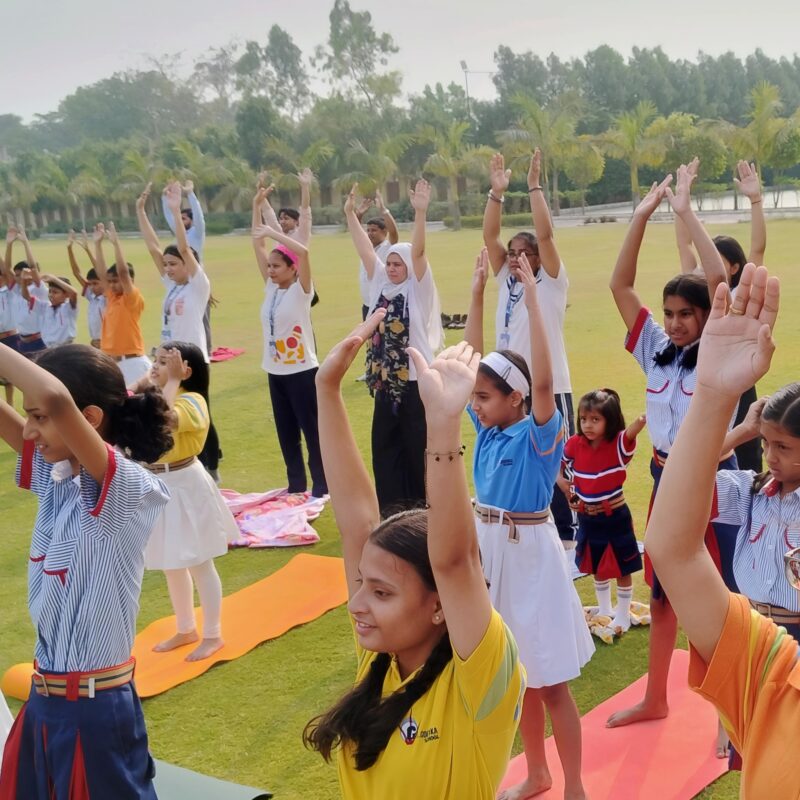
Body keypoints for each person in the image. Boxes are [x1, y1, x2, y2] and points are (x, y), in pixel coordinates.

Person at [303, 310, 525, 800]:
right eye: (363, 584)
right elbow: (357, 521)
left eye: (381, 592)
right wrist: (327, 390)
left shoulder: (478, 679)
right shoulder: (381, 658)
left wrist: (443, 425)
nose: (357, 603)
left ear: (440, 605)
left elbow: (455, 562)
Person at [644, 263, 796, 796]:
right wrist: (713, 399)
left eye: (785, 447)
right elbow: (673, 545)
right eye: (770, 445)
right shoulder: (783, 681)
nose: (773, 457)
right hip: (763, 646)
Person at [0, 343, 172, 798]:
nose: (30, 432)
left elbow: (55, 396)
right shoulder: (55, 478)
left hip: (95, 712)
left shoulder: (125, 492)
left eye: (38, 417)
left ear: (89, 419)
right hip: (42, 703)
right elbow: (43, 405)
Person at [605, 166, 738, 732]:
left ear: (706, 317)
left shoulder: (718, 347)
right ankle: (655, 697)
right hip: (664, 480)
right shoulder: (653, 349)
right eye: (671, 314)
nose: (677, 323)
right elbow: (619, 286)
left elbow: (721, 284)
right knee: (662, 596)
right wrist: (640, 216)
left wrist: (685, 211)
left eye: (688, 314)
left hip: (711, 481)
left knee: (725, 602)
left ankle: (729, 718)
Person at [465, 248, 593, 800]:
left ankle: (575, 785)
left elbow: (544, 378)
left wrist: (535, 299)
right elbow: (470, 364)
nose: (476, 404)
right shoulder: (491, 428)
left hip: (530, 555)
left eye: (485, 398)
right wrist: (475, 295)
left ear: (516, 398)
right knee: (514, 680)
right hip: (489, 553)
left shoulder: (537, 432)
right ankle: (536, 772)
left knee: (551, 681)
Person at [482, 149, 577, 548]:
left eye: (527, 251)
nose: (517, 256)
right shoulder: (506, 277)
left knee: (557, 464)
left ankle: (568, 537)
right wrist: (496, 193)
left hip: (548, 387)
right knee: (522, 462)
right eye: (513, 250)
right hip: (510, 389)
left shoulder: (551, 283)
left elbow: (548, 235)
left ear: (539, 257)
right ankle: (535, 531)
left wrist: (534, 186)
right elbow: (489, 236)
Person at [344, 179, 444, 515]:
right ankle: (391, 512)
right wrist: (350, 215)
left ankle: (422, 511)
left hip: (415, 385)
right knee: (385, 449)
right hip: (386, 384)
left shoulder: (418, 289)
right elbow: (364, 249)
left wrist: (420, 213)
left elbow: (418, 252)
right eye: (389, 264)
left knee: (417, 449)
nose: (391, 268)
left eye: (397, 264)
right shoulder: (380, 287)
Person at [134, 342, 238, 662]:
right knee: (170, 563)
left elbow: (163, 422)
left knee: (198, 562)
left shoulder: (192, 400)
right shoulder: (153, 395)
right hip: (158, 483)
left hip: (186, 486)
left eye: (165, 362)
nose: (155, 366)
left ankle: (212, 634)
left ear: (185, 371)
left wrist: (174, 381)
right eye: (156, 359)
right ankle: (186, 628)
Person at [676, 158, 766, 473]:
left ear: (734, 267)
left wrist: (755, 200)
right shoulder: (697, 295)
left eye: (715, 258)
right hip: (700, 387)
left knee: (744, 469)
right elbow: (684, 243)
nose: (706, 263)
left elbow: (758, 248)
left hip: (737, 388)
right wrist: (681, 203)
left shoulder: (740, 296)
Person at [139, 182, 222, 482]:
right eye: (167, 265)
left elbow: (185, 247)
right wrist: (141, 212)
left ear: (189, 265)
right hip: (169, 360)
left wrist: (175, 210)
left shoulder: (199, 287)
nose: (169, 268)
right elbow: (151, 247)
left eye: (174, 264)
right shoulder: (172, 287)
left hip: (192, 361)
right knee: (171, 411)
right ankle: (189, 461)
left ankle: (211, 466)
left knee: (200, 415)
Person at [251, 186, 327, 498]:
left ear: (292, 269)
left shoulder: (301, 291)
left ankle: (321, 485)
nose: (270, 271)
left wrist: (274, 231)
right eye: (268, 266)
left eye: (277, 266)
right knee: (286, 434)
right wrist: (256, 205)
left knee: (312, 432)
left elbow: (304, 252)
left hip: (302, 372)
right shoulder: (271, 289)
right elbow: (256, 243)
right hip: (275, 371)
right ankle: (297, 484)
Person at [711, 389, 800, 641]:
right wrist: (742, 431)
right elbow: (681, 477)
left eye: (782, 446)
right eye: (764, 442)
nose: (769, 456)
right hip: (750, 632)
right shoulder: (750, 492)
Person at [560, 389, 646, 633]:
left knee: (622, 566)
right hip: (588, 516)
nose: (587, 425)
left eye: (595, 420)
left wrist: (642, 420)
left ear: (610, 421)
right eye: (584, 419)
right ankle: (605, 608)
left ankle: (623, 613)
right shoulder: (575, 444)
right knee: (596, 563)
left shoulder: (618, 444)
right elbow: (560, 463)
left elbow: (630, 432)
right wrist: (563, 484)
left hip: (614, 515)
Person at [91, 222, 152, 385]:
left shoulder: (132, 298)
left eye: (115, 281)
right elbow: (101, 273)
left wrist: (116, 244)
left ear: (130, 281)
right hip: (113, 363)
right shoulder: (112, 297)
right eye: (110, 282)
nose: (111, 285)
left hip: (132, 363)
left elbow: (123, 273)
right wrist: (97, 244)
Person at [354, 190, 399, 320]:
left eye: (374, 230)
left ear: (384, 231)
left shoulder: (388, 247)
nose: (369, 233)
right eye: (368, 230)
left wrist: (383, 210)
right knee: (369, 339)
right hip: (367, 304)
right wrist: (358, 215)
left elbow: (394, 233)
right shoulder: (366, 249)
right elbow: (356, 231)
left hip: (382, 303)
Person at [4, 227, 46, 358]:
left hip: (39, 341)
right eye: (16, 275)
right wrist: (9, 244)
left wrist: (25, 242)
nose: (18, 278)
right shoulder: (16, 290)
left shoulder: (39, 289)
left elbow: (33, 267)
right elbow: (6, 269)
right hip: (22, 342)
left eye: (20, 274)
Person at [67, 229, 105, 348]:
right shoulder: (92, 297)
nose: (92, 287)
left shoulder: (107, 298)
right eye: (90, 284)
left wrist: (88, 250)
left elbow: (101, 271)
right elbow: (76, 273)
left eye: (95, 283)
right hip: (94, 343)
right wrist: (69, 249)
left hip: (107, 343)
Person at [30, 275, 78, 349]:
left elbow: (73, 293)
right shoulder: (46, 307)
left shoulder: (69, 308)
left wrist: (54, 279)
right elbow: (26, 296)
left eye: (55, 292)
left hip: (65, 349)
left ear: (67, 294)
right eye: (50, 292)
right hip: (48, 348)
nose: (51, 295)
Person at [0, 252, 21, 404]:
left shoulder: (11, 291)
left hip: (10, 337)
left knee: (9, 378)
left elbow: (8, 272)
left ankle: (11, 405)